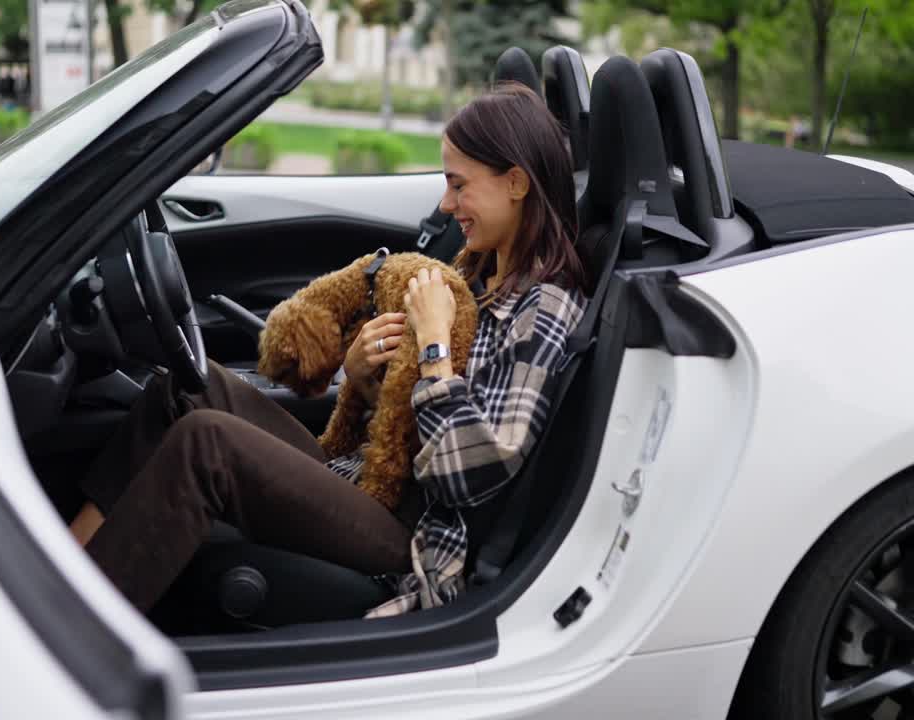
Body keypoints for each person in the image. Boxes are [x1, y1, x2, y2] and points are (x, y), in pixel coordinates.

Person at [69, 82, 588, 617]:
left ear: (517, 183)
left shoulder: (544, 310)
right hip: (363, 475)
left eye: (460, 186)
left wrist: (433, 344)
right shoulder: (474, 273)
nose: (445, 203)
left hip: (415, 535)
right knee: (185, 389)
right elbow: (405, 418)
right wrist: (362, 380)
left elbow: (471, 476)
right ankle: (71, 565)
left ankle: (79, 625)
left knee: (207, 442)